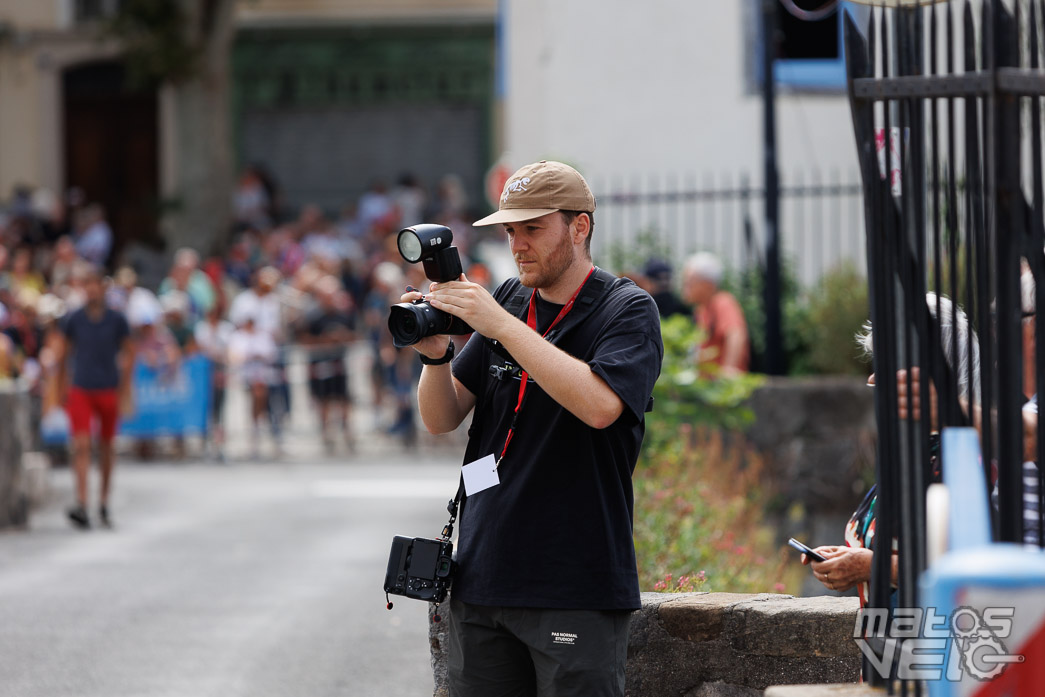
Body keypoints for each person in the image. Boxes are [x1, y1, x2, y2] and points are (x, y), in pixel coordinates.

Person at [404, 160, 663, 696]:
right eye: (510, 230)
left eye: (533, 228)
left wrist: (499, 327)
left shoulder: (627, 310)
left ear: (579, 226)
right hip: (482, 578)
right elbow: (441, 418)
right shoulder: (508, 300)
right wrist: (434, 358)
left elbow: (599, 405)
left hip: (574, 584)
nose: (517, 244)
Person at [802, 293, 978, 604]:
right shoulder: (914, 449)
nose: (873, 379)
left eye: (887, 369)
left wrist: (869, 565)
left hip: (935, 643)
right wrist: (849, 560)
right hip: (891, 643)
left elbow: (965, 569)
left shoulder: (964, 455)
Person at [58, 265, 134, 529]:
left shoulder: (117, 320)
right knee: (80, 445)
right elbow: (63, 355)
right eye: (86, 285)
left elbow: (129, 351)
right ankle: (81, 502)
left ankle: (103, 502)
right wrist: (60, 389)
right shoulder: (74, 319)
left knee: (106, 448)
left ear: (103, 287)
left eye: (95, 284)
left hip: (108, 388)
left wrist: (126, 390)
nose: (91, 290)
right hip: (81, 388)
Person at [298, 275, 356, 452]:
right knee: (322, 400)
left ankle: (347, 432)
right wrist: (323, 341)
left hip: (339, 364)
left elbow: (355, 336)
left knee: (343, 398)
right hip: (319, 365)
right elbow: (303, 339)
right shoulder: (312, 316)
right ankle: (326, 433)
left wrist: (342, 337)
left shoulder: (344, 314)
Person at [681, 252, 749, 374]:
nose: (685, 286)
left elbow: (736, 333)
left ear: (707, 284)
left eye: (690, 282)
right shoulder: (700, 310)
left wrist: (729, 367)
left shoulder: (722, 302)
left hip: (723, 387)